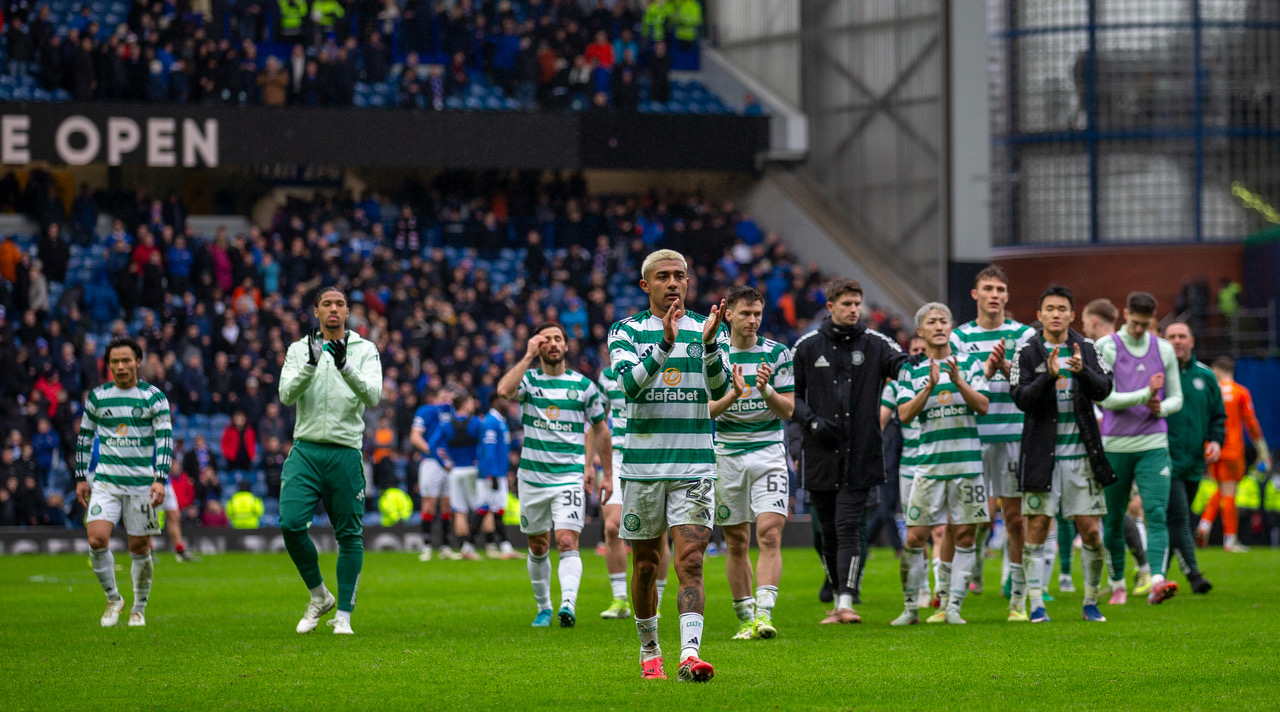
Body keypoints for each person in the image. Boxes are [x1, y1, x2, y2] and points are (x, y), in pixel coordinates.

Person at [609, 249, 728, 682]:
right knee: (644, 565)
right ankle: (649, 651)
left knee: (691, 562)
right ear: (647, 285)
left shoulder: (709, 327)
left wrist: (712, 344)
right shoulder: (625, 331)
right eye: (663, 277)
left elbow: (717, 390)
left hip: (694, 465)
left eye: (680, 275)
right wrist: (665, 343)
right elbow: (629, 388)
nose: (673, 283)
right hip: (642, 468)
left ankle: (690, 655)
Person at [793, 278, 907, 624]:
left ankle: (846, 600)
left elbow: (901, 364)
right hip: (820, 453)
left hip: (861, 454)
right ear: (831, 307)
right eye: (847, 304)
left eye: (858, 303)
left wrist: (916, 365)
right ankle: (836, 588)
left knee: (847, 526)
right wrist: (811, 423)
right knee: (824, 530)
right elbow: (790, 396)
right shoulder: (808, 346)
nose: (854, 309)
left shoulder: (875, 342)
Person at [278, 287, 382, 635]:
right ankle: (320, 595)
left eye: (339, 304)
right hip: (305, 450)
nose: (334, 309)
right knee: (291, 524)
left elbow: (374, 395)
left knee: (349, 535)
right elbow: (286, 394)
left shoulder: (365, 350)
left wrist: (345, 365)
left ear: (348, 311)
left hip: (346, 451)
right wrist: (311, 363)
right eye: (327, 304)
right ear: (316, 312)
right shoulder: (298, 349)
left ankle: (345, 616)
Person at [1010, 286, 1115, 623]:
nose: (1056, 314)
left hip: (1082, 458)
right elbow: (1021, 397)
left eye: (1062, 309)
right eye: (1050, 309)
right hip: (1042, 457)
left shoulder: (1086, 347)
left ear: (1073, 314)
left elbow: (1106, 390)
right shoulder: (1026, 351)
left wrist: (1082, 371)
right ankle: (1037, 604)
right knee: (1037, 527)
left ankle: (1090, 602)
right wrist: (1049, 378)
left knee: (1092, 532)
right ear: (1039, 315)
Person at [498, 321, 612, 628]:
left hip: (569, 476)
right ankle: (544, 606)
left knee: (565, 541)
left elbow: (600, 429)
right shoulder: (529, 380)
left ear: (565, 345)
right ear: (538, 345)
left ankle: (567, 604)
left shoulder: (583, 386)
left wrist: (604, 472)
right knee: (537, 545)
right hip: (532, 477)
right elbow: (503, 391)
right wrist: (526, 357)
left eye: (558, 338)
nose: (552, 343)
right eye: (546, 339)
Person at [891, 303, 989, 626]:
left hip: (967, 466)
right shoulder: (911, 371)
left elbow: (984, 406)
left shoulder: (971, 364)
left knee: (964, 536)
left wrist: (959, 381)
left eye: (944, 321)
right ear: (920, 331)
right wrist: (930, 386)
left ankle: (952, 605)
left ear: (951, 327)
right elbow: (904, 414)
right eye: (931, 322)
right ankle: (910, 607)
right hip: (929, 466)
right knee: (915, 537)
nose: (939, 326)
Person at [949, 265, 1036, 617]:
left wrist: (1005, 370)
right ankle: (953, 599)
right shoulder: (958, 337)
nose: (995, 294)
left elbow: (1031, 382)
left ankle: (1017, 598)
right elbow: (965, 383)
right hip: (974, 438)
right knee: (971, 521)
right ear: (976, 294)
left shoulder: (1025, 334)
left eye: (1000, 289)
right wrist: (987, 369)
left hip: (1014, 434)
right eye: (988, 288)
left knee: (1015, 520)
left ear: (1007, 296)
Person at [709, 286, 794, 640]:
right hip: (727, 453)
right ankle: (744, 616)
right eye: (745, 313)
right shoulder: (715, 356)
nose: (753, 320)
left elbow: (788, 410)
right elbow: (704, 413)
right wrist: (734, 393)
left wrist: (765, 390)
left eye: (757, 313)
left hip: (768, 451)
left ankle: (764, 613)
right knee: (737, 541)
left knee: (770, 533)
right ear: (728, 314)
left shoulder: (777, 353)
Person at [74, 336, 173, 628]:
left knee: (139, 548)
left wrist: (160, 478)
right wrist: (81, 476)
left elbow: (164, 439)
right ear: (108, 365)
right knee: (96, 539)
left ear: (138, 362)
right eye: (115, 361)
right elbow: (84, 437)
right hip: (106, 481)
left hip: (142, 484)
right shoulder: (97, 397)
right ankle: (113, 598)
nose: (120, 366)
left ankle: (139, 607)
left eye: (126, 360)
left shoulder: (153, 397)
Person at [1097, 292, 1182, 605]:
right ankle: (1118, 582)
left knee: (1156, 512)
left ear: (1153, 320)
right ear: (1124, 313)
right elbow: (1104, 398)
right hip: (1116, 444)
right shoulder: (1105, 347)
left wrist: (1161, 408)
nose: (1137, 329)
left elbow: (1177, 397)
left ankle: (1158, 581)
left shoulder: (1163, 349)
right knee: (1115, 517)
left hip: (1153, 443)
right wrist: (1145, 394)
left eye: (1144, 325)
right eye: (1134, 323)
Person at [597, 353, 673, 619]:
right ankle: (619, 599)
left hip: (651, 453)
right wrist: (590, 466)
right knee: (611, 525)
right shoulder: (607, 378)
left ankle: (657, 598)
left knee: (658, 532)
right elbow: (597, 423)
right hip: (618, 456)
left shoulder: (657, 369)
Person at [1163, 322, 1223, 592]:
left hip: (1195, 462)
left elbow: (1218, 417)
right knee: (1180, 518)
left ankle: (1155, 574)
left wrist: (1216, 441)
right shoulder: (1159, 375)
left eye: (1181, 336)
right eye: (1171, 337)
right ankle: (1195, 576)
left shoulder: (1206, 377)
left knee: (1177, 518)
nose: (1177, 341)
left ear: (1192, 341)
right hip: (1165, 459)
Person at [1199, 356, 1269, 552]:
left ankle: (1204, 525)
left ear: (1218, 370)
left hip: (1211, 448)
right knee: (1229, 491)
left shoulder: (1211, 392)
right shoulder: (1240, 392)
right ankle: (1230, 540)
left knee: (1221, 488)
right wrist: (1261, 449)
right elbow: (1251, 422)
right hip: (1232, 449)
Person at [879, 335, 929, 606]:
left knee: (945, 530)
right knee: (916, 531)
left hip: (944, 460)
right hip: (911, 465)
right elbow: (880, 422)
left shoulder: (948, 374)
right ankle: (923, 588)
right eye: (916, 350)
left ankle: (944, 592)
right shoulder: (897, 385)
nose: (920, 354)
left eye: (925, 350)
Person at [428, 393, 484, 561]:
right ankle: (473, 545)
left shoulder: (446, 425)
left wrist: (445, 462)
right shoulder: (476, 423)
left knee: (459, 510)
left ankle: (463, 546)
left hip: (455, 470)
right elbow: (484, 446)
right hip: (473, 469)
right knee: (481, 507)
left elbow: (432, 446)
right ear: (466, 404)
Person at [411, 387, 457, 561]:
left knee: (447, 504)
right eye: (444, 396)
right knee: (429, 503)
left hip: (450, 463)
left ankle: (445, 546)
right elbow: (415, 437)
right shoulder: (426, 411)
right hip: (431, 462)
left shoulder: (453, 413)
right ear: (435, 397)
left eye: (449, 396)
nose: (447, 400)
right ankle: (427, 546)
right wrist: (433, 453)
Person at [476, 395, 519, 560]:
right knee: (485, 507)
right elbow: (489, 449)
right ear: (495, 402)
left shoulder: (501, 420)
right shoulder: (491, 422)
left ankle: (504, 546)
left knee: (497, 508)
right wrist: (492, 473)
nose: (508, 403)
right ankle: (469, 544)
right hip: (492, 473)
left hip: (499, 472)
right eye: (505, 400)